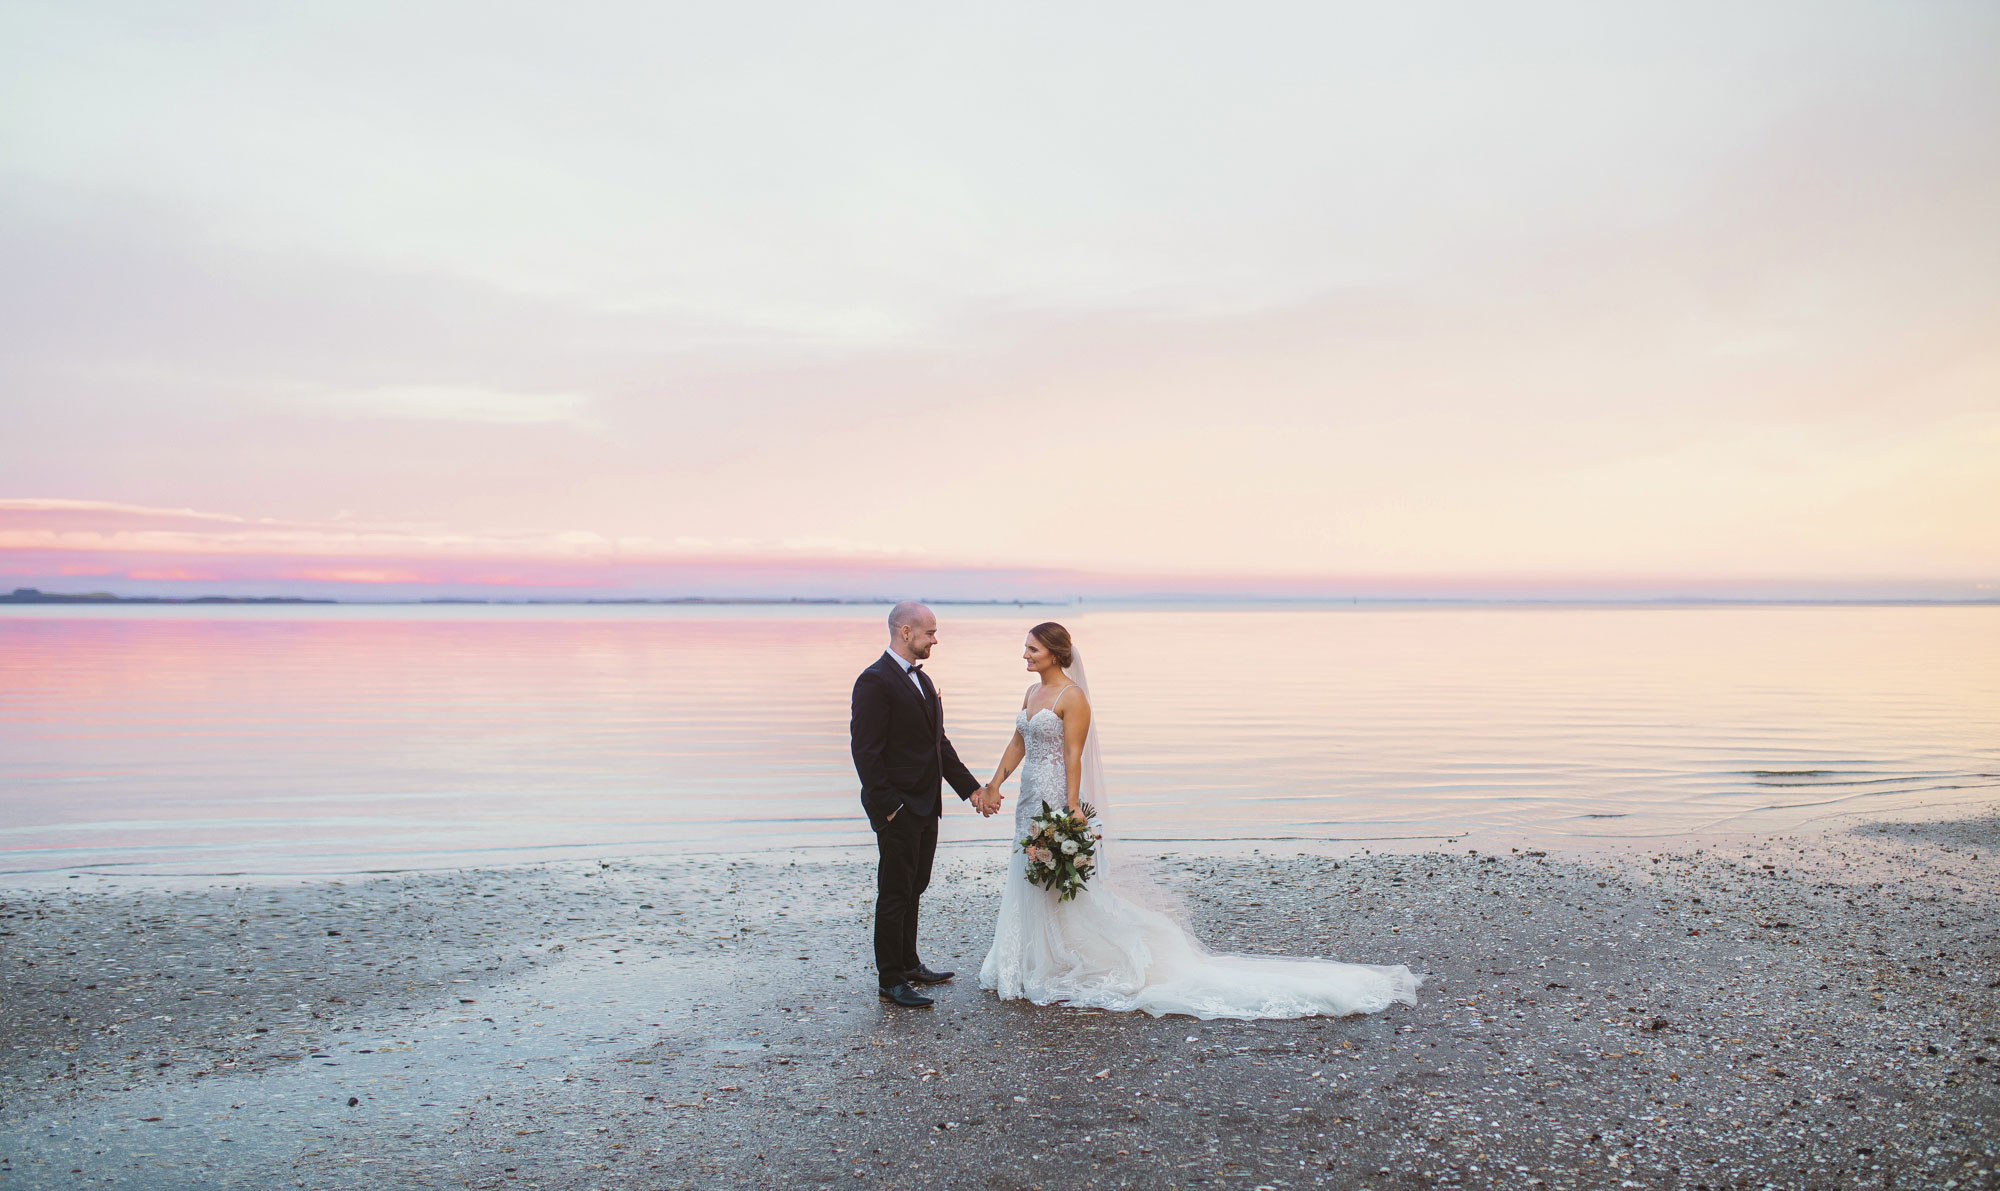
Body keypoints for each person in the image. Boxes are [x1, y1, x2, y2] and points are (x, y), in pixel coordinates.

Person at [976, 621, 1422, 1019]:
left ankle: (1080, 957)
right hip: (1028, 798)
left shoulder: (1073, 698)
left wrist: (1072, 808)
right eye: (1026, 648)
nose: (1025, 655)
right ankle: (1031, 959)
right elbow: (1018, 742)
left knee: (1061, 879)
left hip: (1055, 796)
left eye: (1032, 649)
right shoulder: (1032, 693)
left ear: (1054, 652)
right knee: (1028, 870)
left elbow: (1073, 755)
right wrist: (995, 785)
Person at [850, 601, 997, 1008]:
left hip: (926, 804)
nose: (935, 639)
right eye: (930, 633)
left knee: (916, 886)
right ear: (906, 632)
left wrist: (971, 790)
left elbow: (939, 746)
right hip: (897, 808)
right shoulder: (874, 681)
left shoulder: (923, 680)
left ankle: (910, 962)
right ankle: (890, 979)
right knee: (894, 892)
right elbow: (865, 752)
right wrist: (890, 806)